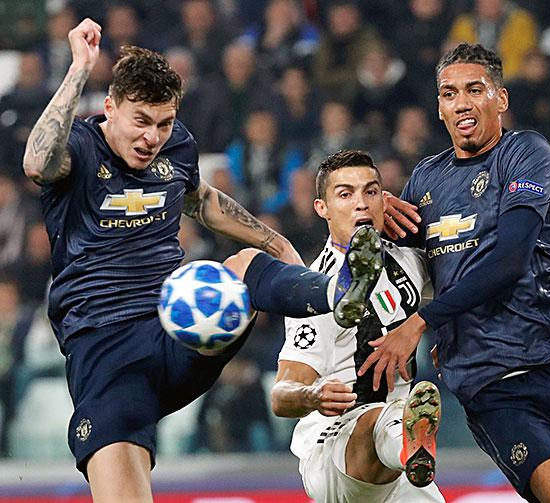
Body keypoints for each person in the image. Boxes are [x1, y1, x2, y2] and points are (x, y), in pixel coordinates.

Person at [22, 19, 380, 502]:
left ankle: (335, 291)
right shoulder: (81, 149)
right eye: (141, 122)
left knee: (245, 266)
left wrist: (276, 244)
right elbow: (36, 164)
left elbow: (202, 200)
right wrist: (79, 69)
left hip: (181, 328)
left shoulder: (177, 147)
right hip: (106, 355)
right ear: (110, 108)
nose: (153, 138)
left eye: (164, 123)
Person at [358, 43, 550, 502]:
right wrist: (372, 220)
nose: (460, 102)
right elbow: (406, 271)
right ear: (439, 108)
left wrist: (424, 322)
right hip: (491, 383)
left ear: (500, 99)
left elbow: (510, 258)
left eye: (474, 89)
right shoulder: (424, 180)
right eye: (448, 93)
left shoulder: (525, 153)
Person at [271, 150, 443, 502]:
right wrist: (313, 395)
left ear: (385, 199)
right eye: (346, 194)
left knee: (391, 416)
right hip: (335, 447)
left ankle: (411, 446)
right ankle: (410, 442)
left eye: (371, 191)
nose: (361, 204)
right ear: (322, 208)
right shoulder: (316, 291)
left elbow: (463, 286)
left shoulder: (407, 261)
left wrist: (454, 337)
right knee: (379, 417)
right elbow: (280, 394)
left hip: (396, 465)